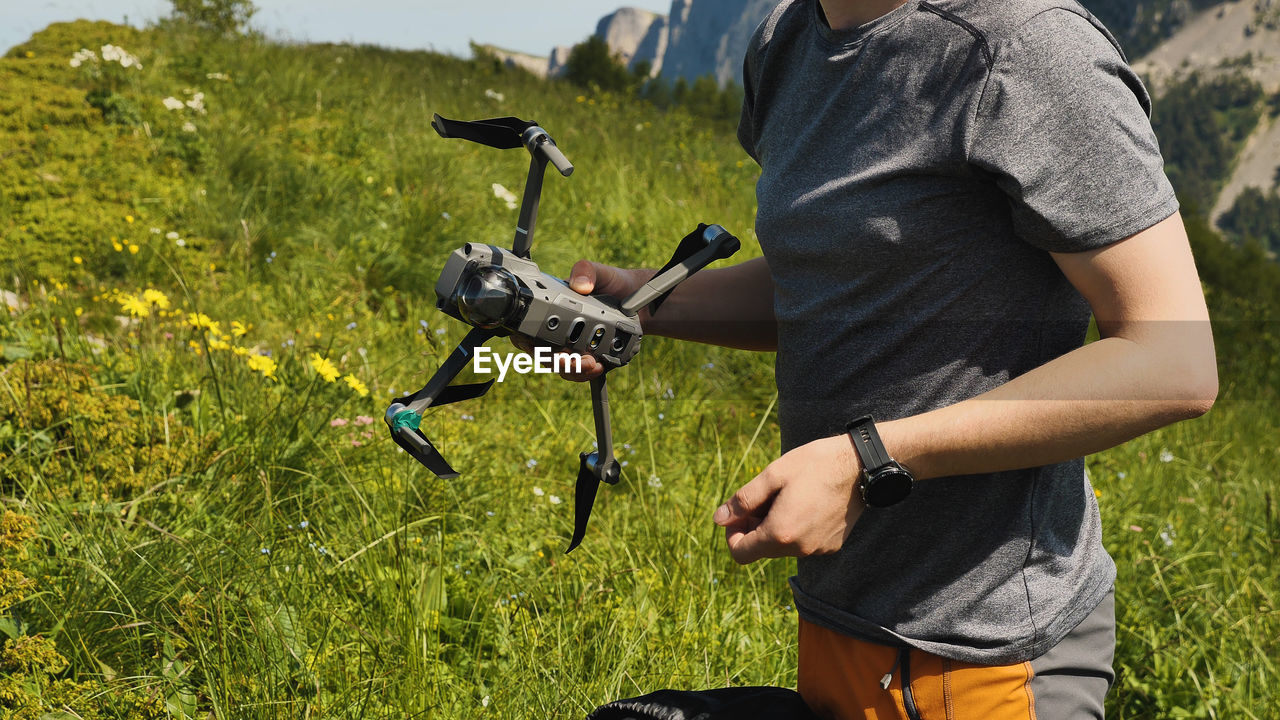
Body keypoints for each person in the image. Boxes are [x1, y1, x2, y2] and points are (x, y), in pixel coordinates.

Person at [526, 0, 1217, 716]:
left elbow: (1174, 360)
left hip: (990, 650)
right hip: (841, 623)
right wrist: (643, 304)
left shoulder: (1026, 49)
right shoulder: (788, 41)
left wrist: (868, 462)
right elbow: (844, 277)